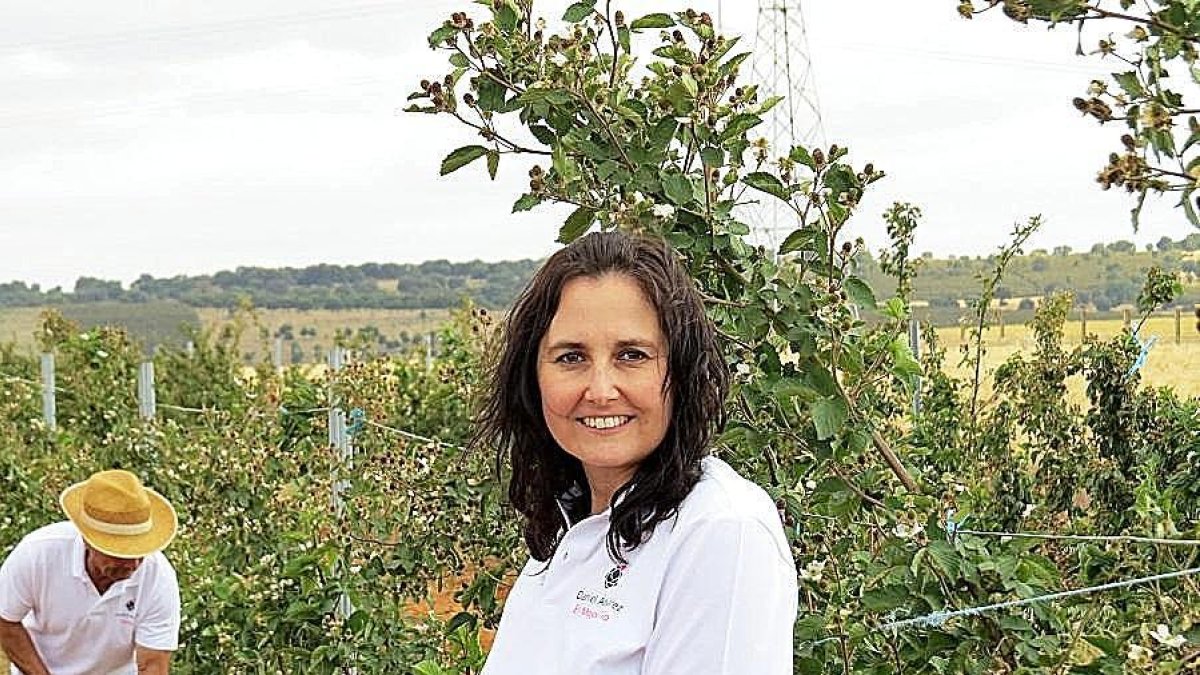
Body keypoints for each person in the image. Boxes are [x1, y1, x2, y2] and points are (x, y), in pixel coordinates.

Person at [476, 230, 797, 674]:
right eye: (571, 357)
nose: (601, 390)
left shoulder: (720, 531)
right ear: (532, 378)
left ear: (681, 370)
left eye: (632, 355)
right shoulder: (568, 528)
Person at [0, 469, 180, 675]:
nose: (133, 564)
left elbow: (152, 665)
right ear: (88, 541)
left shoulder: (158, 577)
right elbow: (5, 620)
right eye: (120, 553)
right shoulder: (37, 554)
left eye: (140, 552)